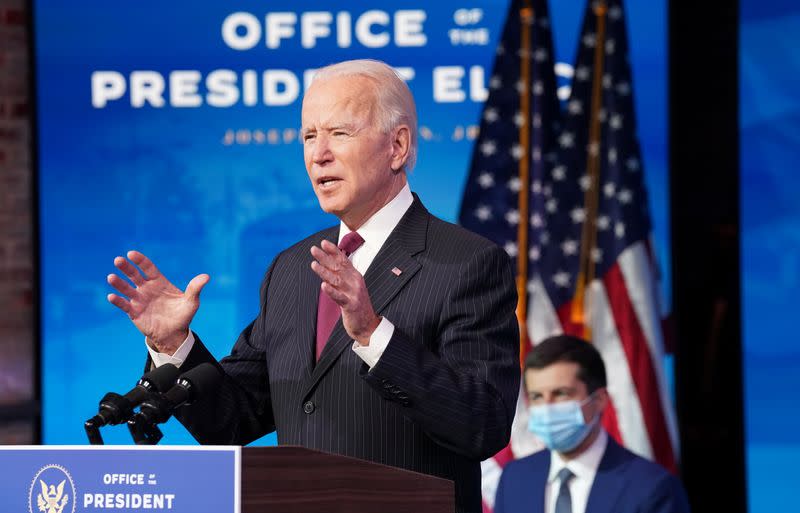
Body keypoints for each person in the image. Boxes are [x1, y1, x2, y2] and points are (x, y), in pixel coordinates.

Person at [106, 59, 520, 513]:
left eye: (339, 134)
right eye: (308, 136)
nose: (318, 153)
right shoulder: (291, 268)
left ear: (397, 146)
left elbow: (483, 424)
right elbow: (230, 420)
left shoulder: (467, 263)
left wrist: (373, 335)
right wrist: (173, 344)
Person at [494, 335, 691, 513]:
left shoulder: (653, 487)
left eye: (561, 393)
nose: (547, 407)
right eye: (537, 396)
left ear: (599, 400)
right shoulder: (513, 479)